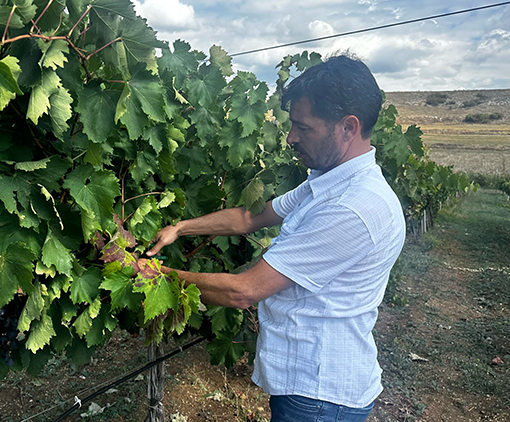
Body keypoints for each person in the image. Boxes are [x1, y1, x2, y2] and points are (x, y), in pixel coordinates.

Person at [145, 54, 406, 422]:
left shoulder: (352, 207)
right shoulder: (328, 183)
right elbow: (249, 218)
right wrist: (180, 228)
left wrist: (152, 275)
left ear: (348, 127)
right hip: (309, 389)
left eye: (303, 127)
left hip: (320, 398)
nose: (290, 137)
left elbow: (243, 291)